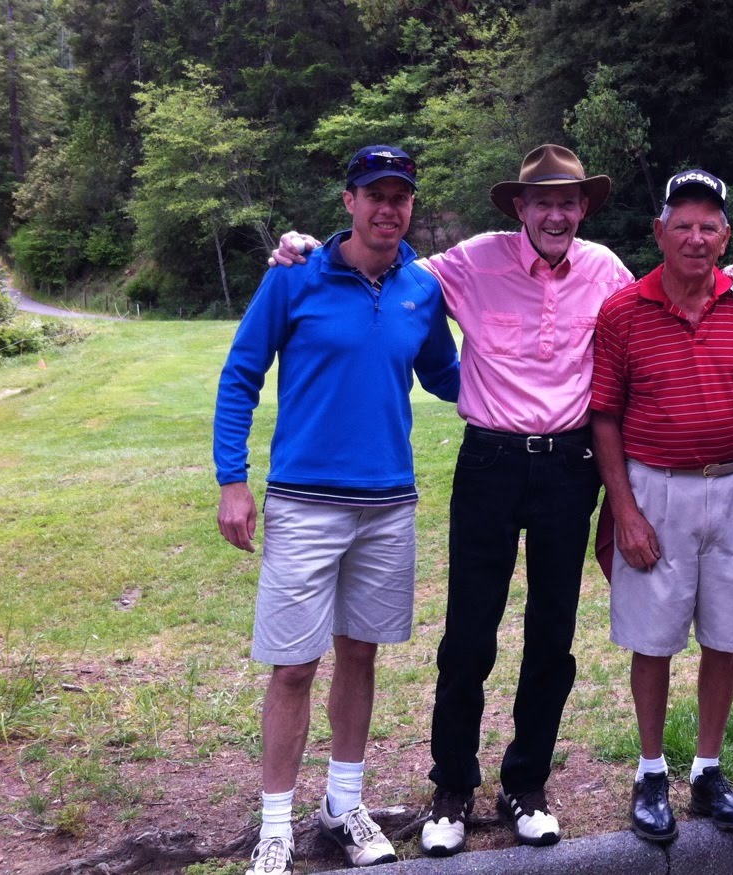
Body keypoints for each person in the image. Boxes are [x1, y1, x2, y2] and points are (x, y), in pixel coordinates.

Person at [270, 144, 634, 856]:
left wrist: (732, 281)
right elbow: (379, 265)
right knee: (469, 632)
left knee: (552, 634)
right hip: (490, 461)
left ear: (583, 207)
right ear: (520, 209)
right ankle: (452, 789)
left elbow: (654, 314)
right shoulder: (470, 262)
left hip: (569, 466)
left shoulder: (607, 271)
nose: (556, 213)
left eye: (568, 201)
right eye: (542, 202)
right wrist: (310, 249)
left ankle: (527, 784)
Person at [214, 145, 460, 875]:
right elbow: (240, 374)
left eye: (402, 196)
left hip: (387, 505)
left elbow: (449, 377)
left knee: (360, 653)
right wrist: (234, 479)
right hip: (305, 503)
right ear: (348, 200)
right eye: (375, 194)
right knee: (293, 666)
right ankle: (276, 825)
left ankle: (342, 805)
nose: (389, 208)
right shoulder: (296, 278)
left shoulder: (421, 287)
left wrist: (535, 367)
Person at [590, 169, 733, 843]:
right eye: (682, 223)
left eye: (709, 225)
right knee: (653, 638)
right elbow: (605, 418)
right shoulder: (624, 310)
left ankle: (707, 770)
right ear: (659, 232)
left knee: (726, 634)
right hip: (656, 487)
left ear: (727, 235)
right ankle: (652, 772)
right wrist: (624, 510)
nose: (696, 236)